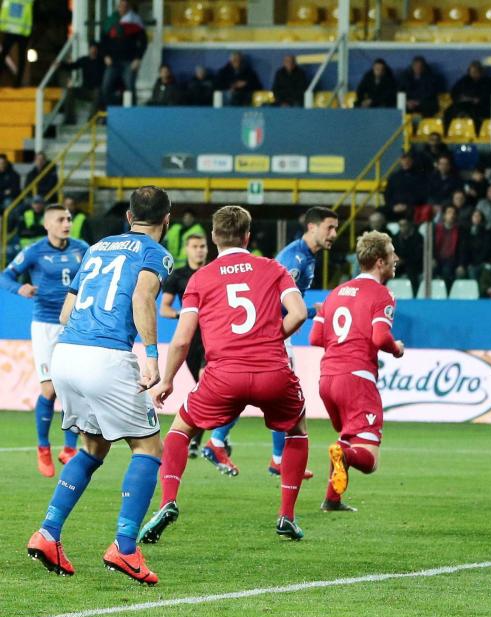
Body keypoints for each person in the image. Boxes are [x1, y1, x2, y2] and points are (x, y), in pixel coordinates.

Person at [26, 186, 174, 584]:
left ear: (128, 217)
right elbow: (143, 297)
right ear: (167, 219)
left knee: (93, 446)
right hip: (105, 357)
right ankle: (126, 548)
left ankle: (48, 532)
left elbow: (66, 310)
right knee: (148, 447)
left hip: (67, 352)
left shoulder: (96, 247)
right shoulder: (155, 253)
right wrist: (152, 356)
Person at [140, 205, 311, 546]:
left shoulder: (200, 278)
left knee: (181, 428)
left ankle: (168, 501)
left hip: (223, 375)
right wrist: (271, 338)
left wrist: (168, 379)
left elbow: (184, 339)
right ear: (248, 237)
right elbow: (300, 313)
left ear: (214, 237)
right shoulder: (273, 268)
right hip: (272, 372)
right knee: (297, 429)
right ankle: (287, 517)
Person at [308, 231, 404, 511]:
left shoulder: (335, 293)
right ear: (379, 262)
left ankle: (332, 499)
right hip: (357, 378)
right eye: (391, 254)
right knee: (368, 458)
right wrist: (396, 348)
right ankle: (345, 458)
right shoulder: (382, 295)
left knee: (346, 437)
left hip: (327, 380)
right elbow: (380, 338)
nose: (395, 258)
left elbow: (315, 338)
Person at [241, 206, 338, 474]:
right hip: (274, 335)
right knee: (283, 396)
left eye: (336, 228)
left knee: (280, 397)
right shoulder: (294, 260)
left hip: (279, 334)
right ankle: (216, 441)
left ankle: (278, 459)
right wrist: (288, 323)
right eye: (329, 227)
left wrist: (305, 312)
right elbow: (271, 299)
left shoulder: (307, 256)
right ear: (312, 227)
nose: (334, 233)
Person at [0, 204, 88, 476]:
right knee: (50, 391)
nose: (67, 223)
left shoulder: (82, 248)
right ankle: (43, 447)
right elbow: (5, 276)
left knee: (73, 387)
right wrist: (20, 287)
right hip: (46, 327)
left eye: (69, 219)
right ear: (48, 224)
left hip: (74, 324)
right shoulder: (34, 251)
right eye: (61, 219)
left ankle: (70, 448)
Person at [158, 232, 230, 462]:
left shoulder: (216, 270)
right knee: (202, 388)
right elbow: (164, 309)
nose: (199, 250)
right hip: (192, 338)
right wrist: (183, 314)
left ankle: (205, 440)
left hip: (215, 337)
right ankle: (213, 438)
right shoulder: (178, 276)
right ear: (187, 250)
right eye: (195, 246)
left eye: (202, 246)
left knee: (206, 381)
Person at [100, 0, 147, 106]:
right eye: (121, 6)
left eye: (125, 6)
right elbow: (103, 41)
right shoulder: (110, 21)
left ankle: (131, 114)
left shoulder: (135, 21)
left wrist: (138, 58)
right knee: (106, 87)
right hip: (113, 61)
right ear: (118, 7)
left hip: (129, 61)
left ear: (129, 8)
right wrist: (105, 56)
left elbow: (143, 42)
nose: (123, 8)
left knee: (130, 87)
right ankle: (113, 111)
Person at [62, 42, 105, 125]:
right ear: (89, 49)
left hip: (96, 91)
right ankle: (69, 119)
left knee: (98, 93)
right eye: (92, 48)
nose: (93, 50)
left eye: (95, 48)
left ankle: (92, 121)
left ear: (97, 50)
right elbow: (73, 66)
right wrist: (60, 64)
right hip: (85, 90)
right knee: (70, 91)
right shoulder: (84, 60)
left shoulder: (101, 61)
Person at [446, 61, 491, 129]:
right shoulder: (464, 81)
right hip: (463, 105)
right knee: (448, 112)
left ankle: (477, 133)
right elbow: (454, 93)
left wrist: (479, 99)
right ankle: (447, 133)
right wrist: (460, 98)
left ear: (480, 72)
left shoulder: (487, 82)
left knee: (476, 114)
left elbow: (489, 95)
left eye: (476, 71)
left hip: (480, 106)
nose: (473, 74)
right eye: (472, 71)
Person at [0, 0, 33, 86]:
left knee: (3, 55)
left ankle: (18, 83)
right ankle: (18, 83)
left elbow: (4, 10)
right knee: (21, 58)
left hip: (12, 30)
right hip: (22, 32)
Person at [384, 153, 425, 221]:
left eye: (408, 161)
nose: (406, 163)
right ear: (400, 162)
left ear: (412, 161)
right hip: (394, 207)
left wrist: (407, 206)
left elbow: (421, 195)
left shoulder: (419, 177)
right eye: (404, 161)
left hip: (411, 207)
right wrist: (393, 206)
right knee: (379, 213)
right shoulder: (394, 177)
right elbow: (387, 194)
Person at [393, 217, 423, 289]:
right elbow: (392, 252)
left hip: (414, 264)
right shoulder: (396, 238)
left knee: (412, 272)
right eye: (400, 225)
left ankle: (414, 294)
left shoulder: (418, 237)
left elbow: (418, 256)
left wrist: (404, 261)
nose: (402, 227)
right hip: (399, 264)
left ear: (410, 225)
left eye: (404, 225)